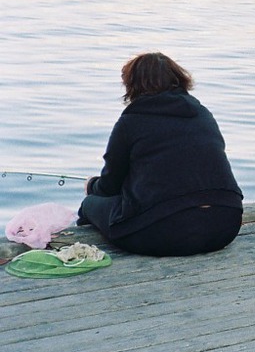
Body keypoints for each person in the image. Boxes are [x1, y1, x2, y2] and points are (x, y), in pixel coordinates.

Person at [78, 53, 243, 256]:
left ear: (132, 85)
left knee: (89, 205)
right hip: (225, 225)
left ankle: (78, 245)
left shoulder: (131, 121)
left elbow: (110, 185)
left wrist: (91, 185)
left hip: (163, 234)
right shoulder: (202, 114)